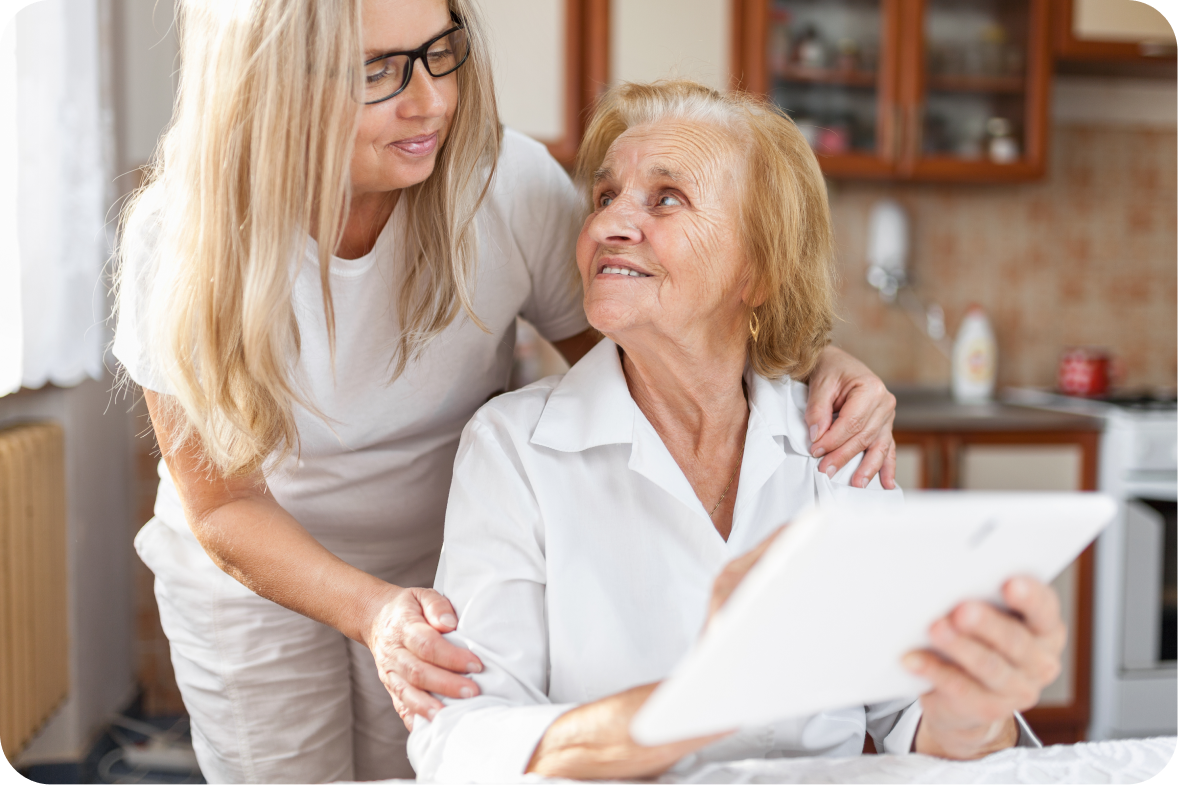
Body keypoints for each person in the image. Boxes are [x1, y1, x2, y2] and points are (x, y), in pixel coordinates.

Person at [113, 1, 900, 781]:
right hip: (259, 566)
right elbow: (222, 502)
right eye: (378, 71)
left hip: (440, 557)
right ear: (273, 86)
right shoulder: (182, 238)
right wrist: (372, 611)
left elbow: (661, 325)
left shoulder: (503, 185)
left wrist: (809, 357)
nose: (430, 101)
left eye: (438, 52)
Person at [407, 81, 1065, 782]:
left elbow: (912, 719)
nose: (606, 225)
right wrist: (702, 696)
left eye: (665, 198)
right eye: (604, 197)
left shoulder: (836, 440)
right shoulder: (513, 449)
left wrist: (976, 704)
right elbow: (465, 737)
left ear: (758, 268)